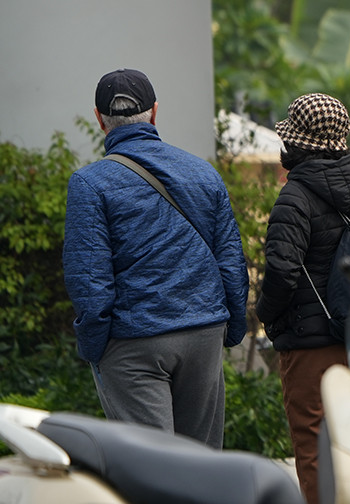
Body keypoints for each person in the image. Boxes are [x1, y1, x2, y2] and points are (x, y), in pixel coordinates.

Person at [64, 68, 248, 449]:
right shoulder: (203, 173)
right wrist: (230, 329)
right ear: (155, 111)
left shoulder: (90, 184)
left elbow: (90, 281)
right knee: (201, 462)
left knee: (150, 469)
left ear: (100, 120)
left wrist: (95, 349)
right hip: (203, 333)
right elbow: (230, 260)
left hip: (134, 342)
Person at [256, 93, 350, 504]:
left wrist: (269, 319)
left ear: (296, 144)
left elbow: (281, 272)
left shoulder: (294, 198)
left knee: (315, 450)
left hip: (310, 346)